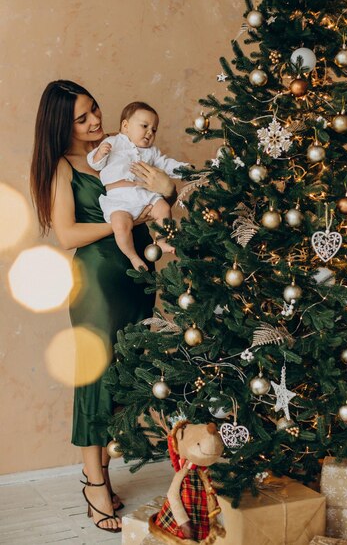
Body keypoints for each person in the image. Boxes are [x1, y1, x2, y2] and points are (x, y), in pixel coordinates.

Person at [30, 80, 177, 533]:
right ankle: (95, 482)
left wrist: (165, 190)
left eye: (95, 110)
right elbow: (68, 235)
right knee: (95, 377)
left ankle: (105, 469)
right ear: (62, 125)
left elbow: (164, 199)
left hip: (136, 277)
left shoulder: (125, 148)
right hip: (96, 280)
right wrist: (122, 223)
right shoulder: (63, 166)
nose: (95, 121)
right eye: (82, 118)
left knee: (126, 375)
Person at [87, 101, 188, 270]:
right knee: (120, 225)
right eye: (144, 126)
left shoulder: (152, 151)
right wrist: (99, 154)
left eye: (154, 130)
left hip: (143, 194)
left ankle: (162, 240)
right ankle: (133, 256)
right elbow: (94, 164)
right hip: (119, 198)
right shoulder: (112, 142)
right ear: (125, 126)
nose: (150, 132)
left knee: (163, 208)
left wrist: (185, 170)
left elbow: (166, 164)